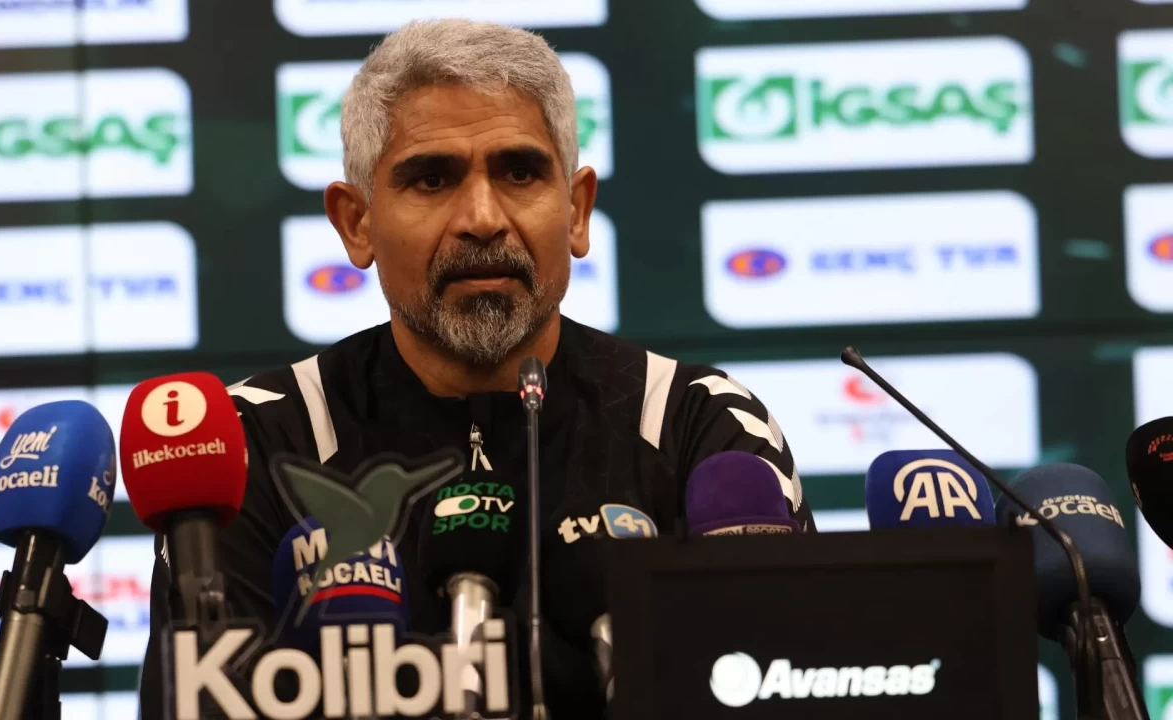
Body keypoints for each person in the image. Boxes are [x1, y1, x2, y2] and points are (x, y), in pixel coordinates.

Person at [138, 18, 814, 718]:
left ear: (577, 211)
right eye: (432, 179)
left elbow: (786, 689)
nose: (483, 218)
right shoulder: (253, 445)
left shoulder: (698, 423)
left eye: (520, 173)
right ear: (356, 223)